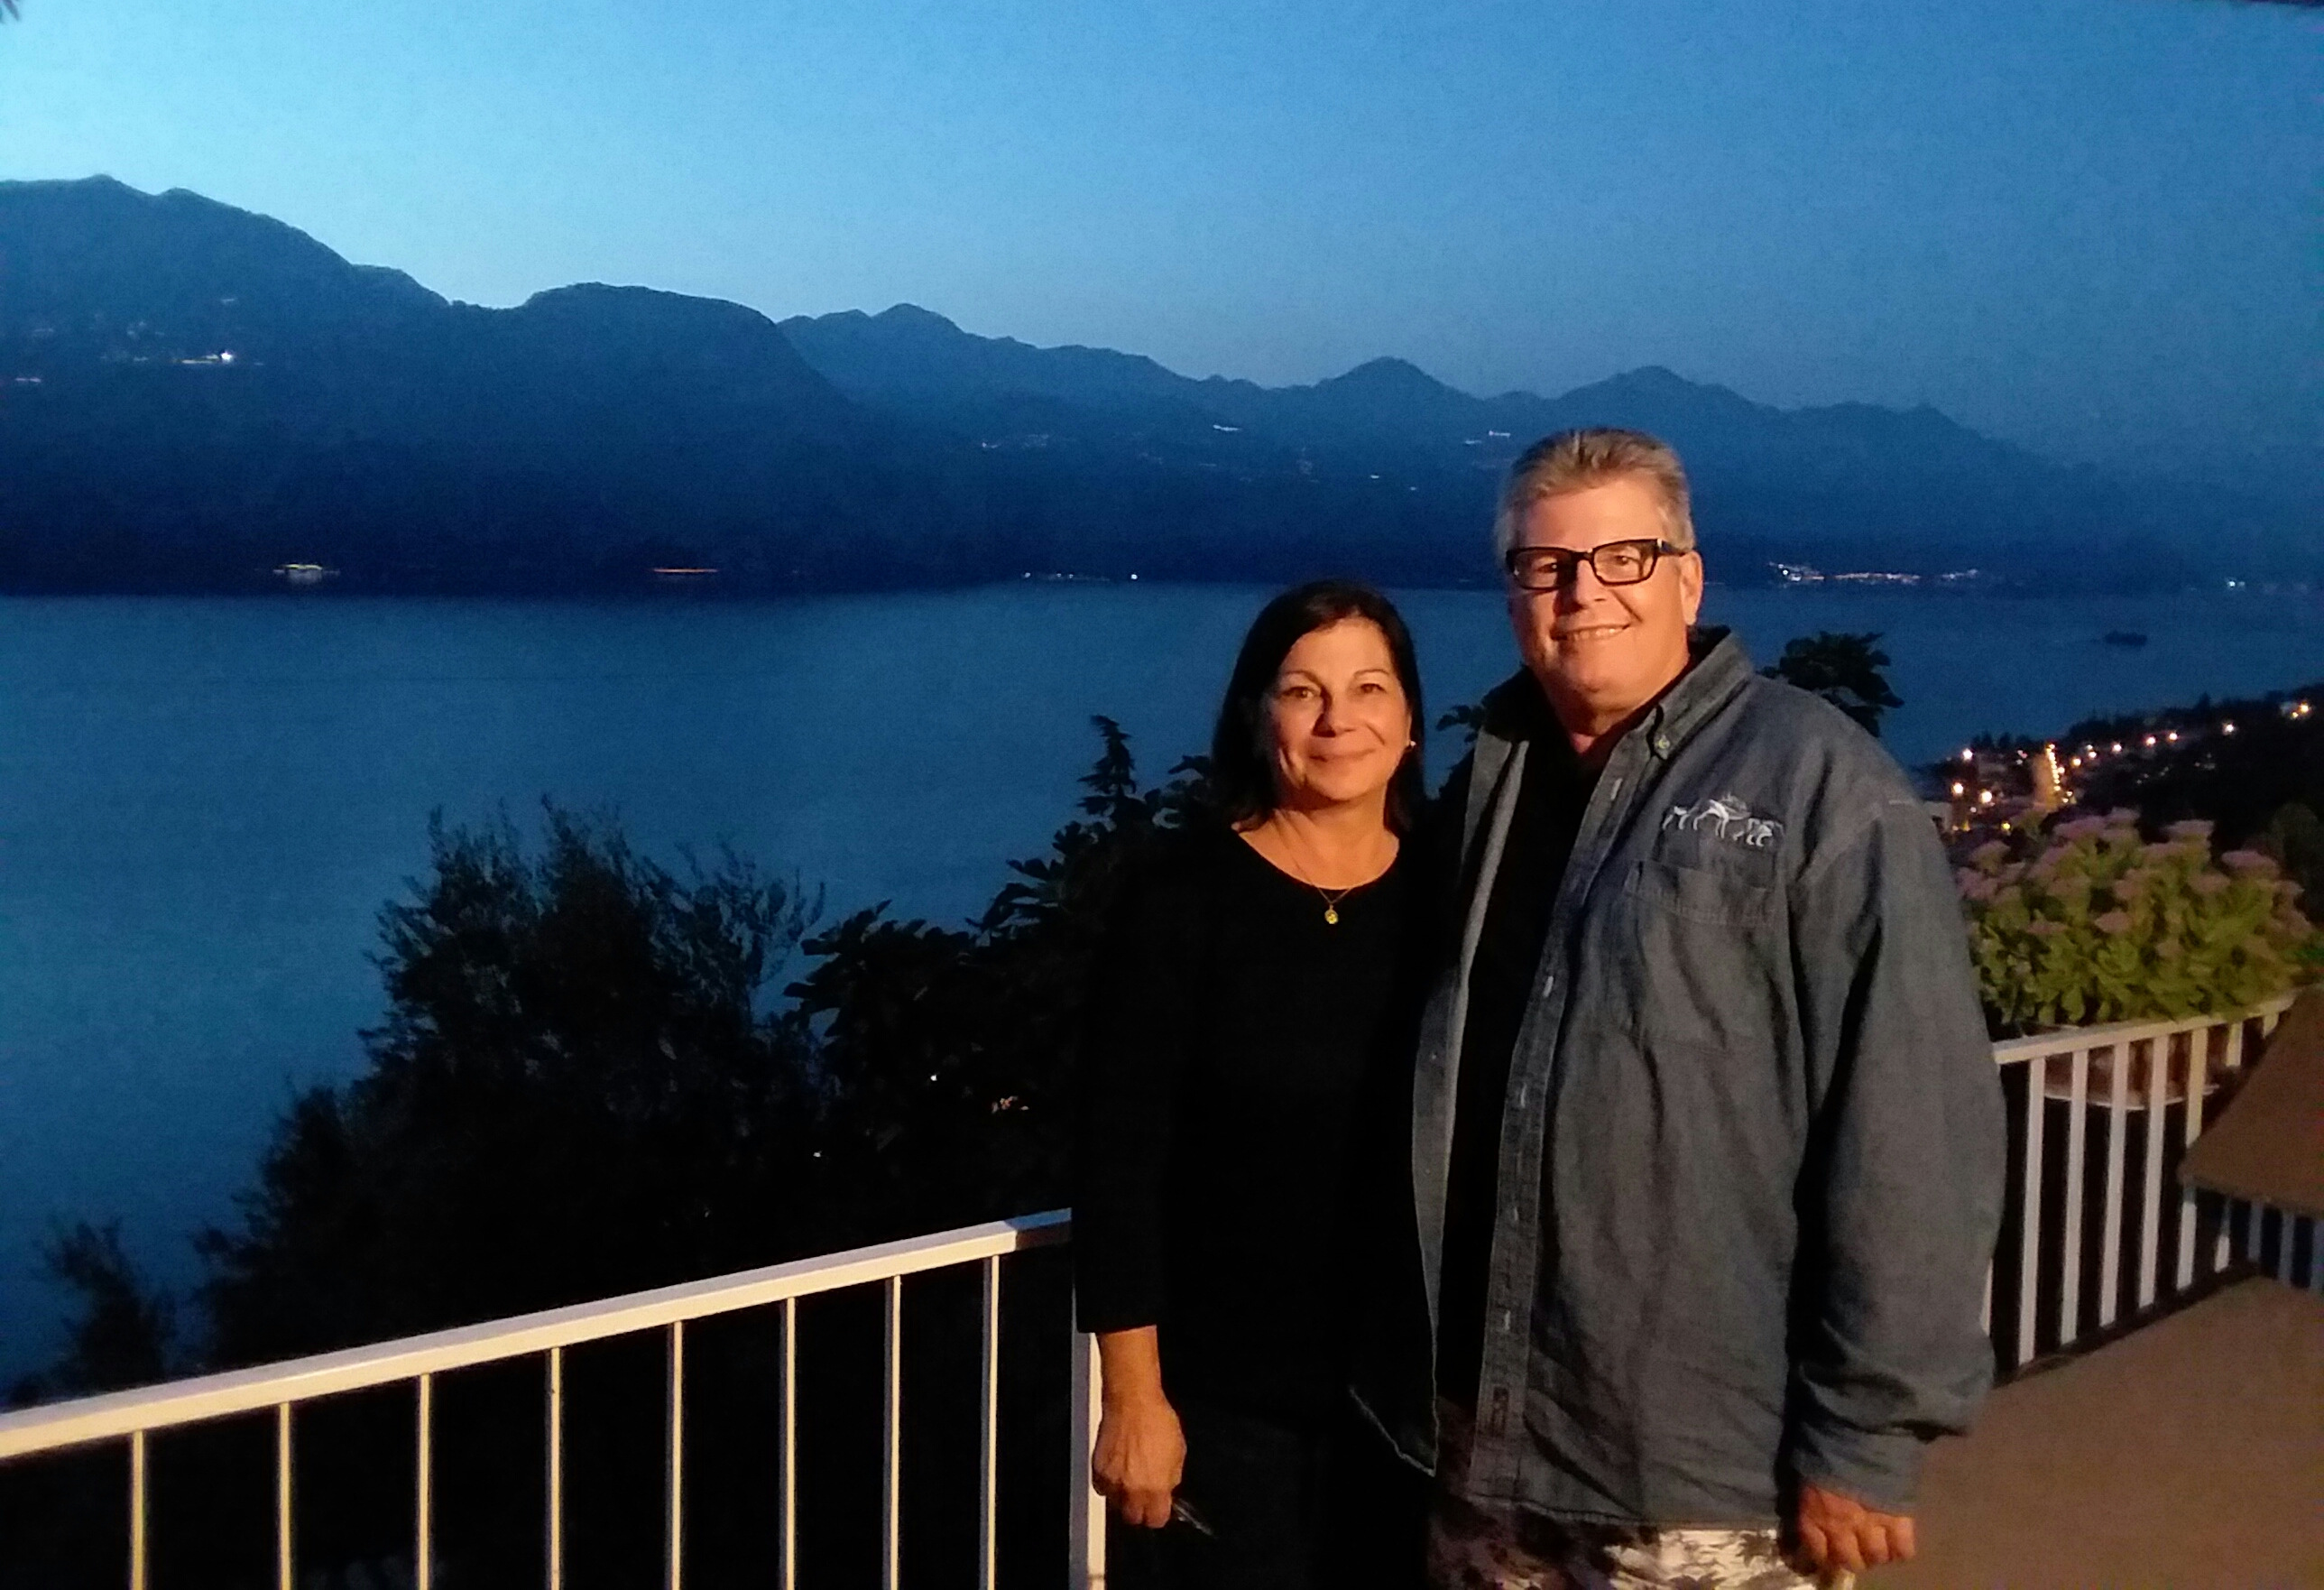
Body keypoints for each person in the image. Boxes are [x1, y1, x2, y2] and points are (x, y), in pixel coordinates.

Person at [1353, 428, 2006, 1590]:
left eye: (1622, 558)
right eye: (1546, 565)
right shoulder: (1497, 776)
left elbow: (1912, 1122)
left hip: (1696, 1466)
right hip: (1484, 1445)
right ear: (1512, 592)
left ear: (1687, 579)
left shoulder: (1815, 784)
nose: (1582, 592)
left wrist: (1865, 1433)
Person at [1074, 578, 1433, 1589]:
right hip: (1221, 1409)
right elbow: (1116, 1158)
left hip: (1410, 1417)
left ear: (1410, 719)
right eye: (1302, 691)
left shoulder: (1448, 892)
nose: (1337, 720)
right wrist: (1133, 1398)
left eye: (1368, 688)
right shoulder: (1180, 899)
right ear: (1254, 714)